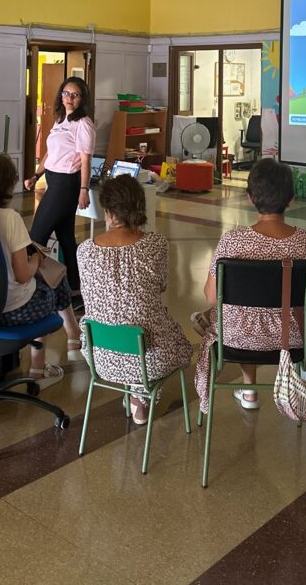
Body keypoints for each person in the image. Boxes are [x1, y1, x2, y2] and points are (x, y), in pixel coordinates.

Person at [194, 158, 306, 413]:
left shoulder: (232, 242)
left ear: (250, 198)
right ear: (290, 199)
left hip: (236, 337)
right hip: (293, 337)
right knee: (262, 318)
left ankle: (249, 388)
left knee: (242, 317)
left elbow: (212, 297)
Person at [77, 174, 192, 425]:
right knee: (170, 336)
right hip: (149, 358)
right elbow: (161, 286)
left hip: (100, 356)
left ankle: (136, 392)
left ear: (107, 212)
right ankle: (142, 396)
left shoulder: (84, 250)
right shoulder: (156, 245)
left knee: (122, 320)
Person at [0, 154, 81, 384]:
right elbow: (22, 275)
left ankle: (73, 334)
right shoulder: (8, 217)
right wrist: (36, 259)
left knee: (50, 276)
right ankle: (39, 368)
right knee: (48, 278)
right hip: (11, 310)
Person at [23, 77, 95, 302]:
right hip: (54, 180)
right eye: (66, 93)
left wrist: (84, 189)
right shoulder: (61, 119)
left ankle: (34, 291)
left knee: (36, 238)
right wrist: (37, 174)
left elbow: (85, 160)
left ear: (82, 99)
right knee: (66, 239)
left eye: (75, 95)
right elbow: (50, 154)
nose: (69, 98)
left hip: (67, 185)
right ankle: (75, 290)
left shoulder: (83, 123)